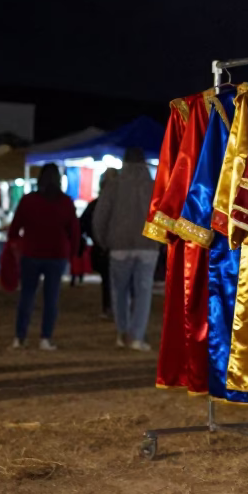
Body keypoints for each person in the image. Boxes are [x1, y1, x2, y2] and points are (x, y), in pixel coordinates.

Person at [7, 164, 79, 350]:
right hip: (57, 254)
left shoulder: (28, 201)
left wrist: (15, 245)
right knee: (51, 298)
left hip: (31, 252)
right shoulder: (65, 202)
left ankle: (19, 337)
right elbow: (74, 231)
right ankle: (45, 338)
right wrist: (73, 252)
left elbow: (14, 228)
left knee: (27, 296)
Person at [94, 148, 159, 351]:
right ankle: (137, 336)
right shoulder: (154, 187)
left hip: (119, 246)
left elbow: (100, 216)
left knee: (119, 292)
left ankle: (123, 333)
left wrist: (103, 241)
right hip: (148, 246)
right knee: (143, 293)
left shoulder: (114, 186)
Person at [79, 174, 112, 320]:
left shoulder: (95, 205)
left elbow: (83, 225)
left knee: (108, 281)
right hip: (109, 248)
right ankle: (113, 308)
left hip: (103, 248)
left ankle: (109, 308)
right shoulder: (122, 205)